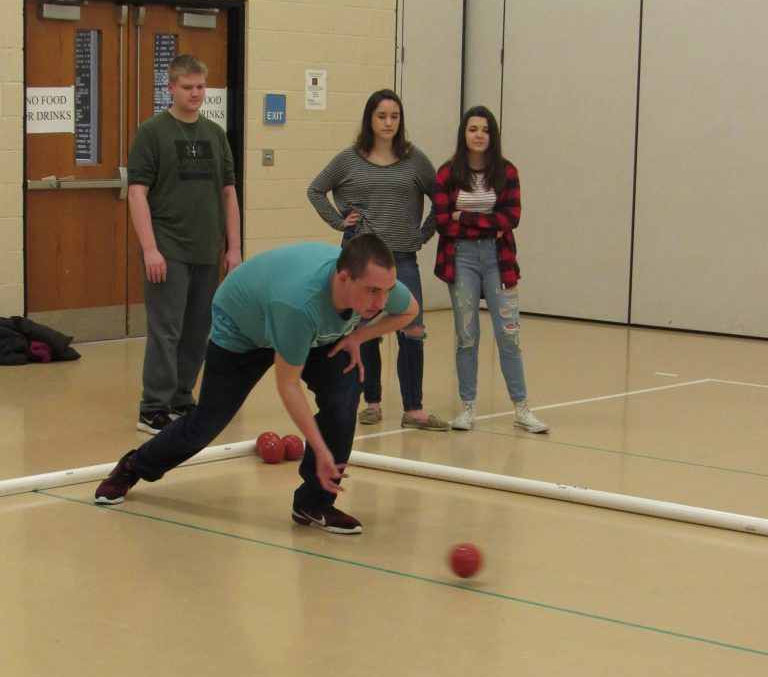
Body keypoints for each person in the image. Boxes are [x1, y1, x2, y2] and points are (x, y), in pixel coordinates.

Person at [94, 234, 417, 535]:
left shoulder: (375, 284)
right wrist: (320, 449)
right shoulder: (298, 303)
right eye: (373, 292)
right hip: (243, 327)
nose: (382, 301)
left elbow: (409, 311)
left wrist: (359, 336)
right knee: (205, 424)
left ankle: (314, 503)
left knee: (344, 396)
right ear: (343, 279)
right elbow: (288, 385)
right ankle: (133, 466)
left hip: (307, 327)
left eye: (387, 290)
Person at [307, 88, 449, 431]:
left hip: (402, 257)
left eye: (394, 116)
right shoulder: (348, 159)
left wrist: (424, 233)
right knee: (365, 326)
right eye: (381, 116)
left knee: (412, 329)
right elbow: (315, 190)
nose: (388, 122)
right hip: (362, 258)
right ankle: (371, 402)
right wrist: (339, 221)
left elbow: (441, 199)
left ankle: (414, 409)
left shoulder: (415, 160)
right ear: (369, 119)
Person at [127, 53, 242, 435]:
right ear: (171, 88)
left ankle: (181, 396)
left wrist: (234, 249)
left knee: (197, 329)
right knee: (167, 329)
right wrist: (150, 248)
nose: (196, 93)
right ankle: (153, 406)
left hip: (207, 248)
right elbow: (137, 193)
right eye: (188, 87)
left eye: (201, 87)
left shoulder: (215, 134)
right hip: (168, 249)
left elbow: (228, 193)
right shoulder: (152, 132)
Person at [433, 106, 549, 434]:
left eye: (485, 130)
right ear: (464, 133)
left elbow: (511, 218)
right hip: (461, 258)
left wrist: (465, 217)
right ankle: (467, 407)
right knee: (467, 335)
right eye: (473, 129)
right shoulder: (447, 173)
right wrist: (487, 224)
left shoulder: (507, 171)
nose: (479, 135)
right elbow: (442, 222)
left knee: (508, 334)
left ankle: (522, 408)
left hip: (499, 258)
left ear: (492, 135)